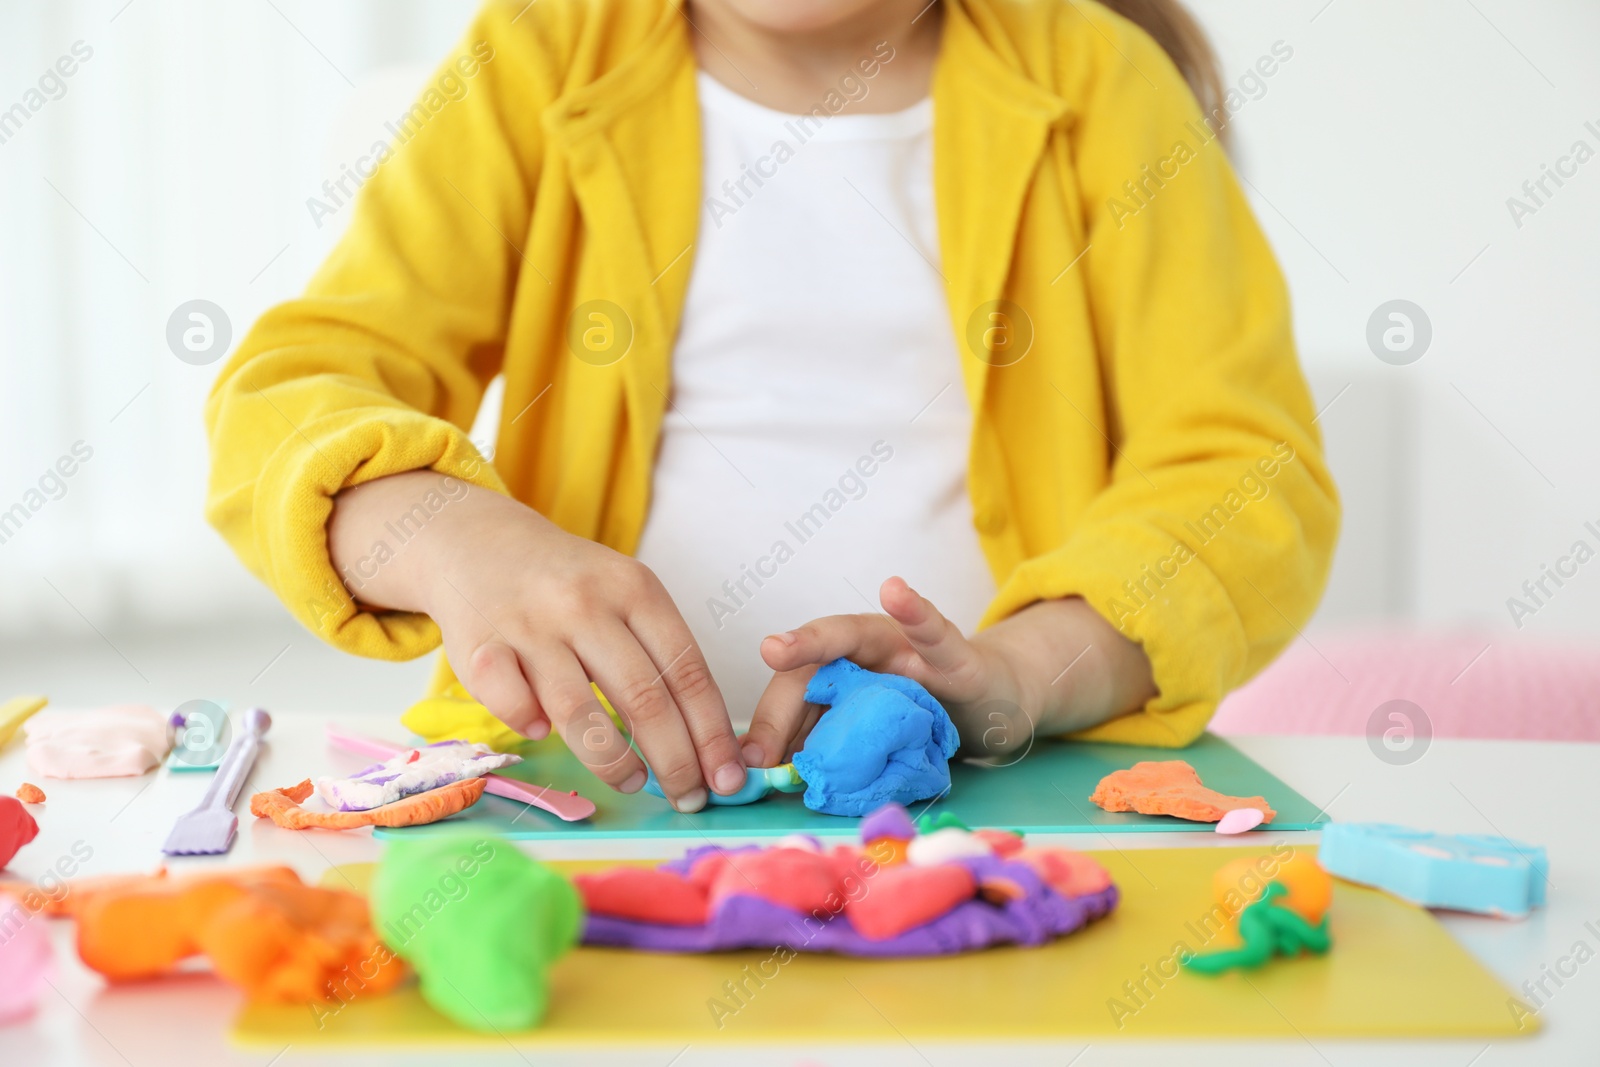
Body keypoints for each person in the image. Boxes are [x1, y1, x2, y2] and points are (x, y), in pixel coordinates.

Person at [205, 0, 1338, 813]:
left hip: (1005, 796)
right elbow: (286, 400)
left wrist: (1019, 676)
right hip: (579, 794)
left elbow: (1249, 477)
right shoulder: (536, 56)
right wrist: (454, 538)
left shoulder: (1100, 82)